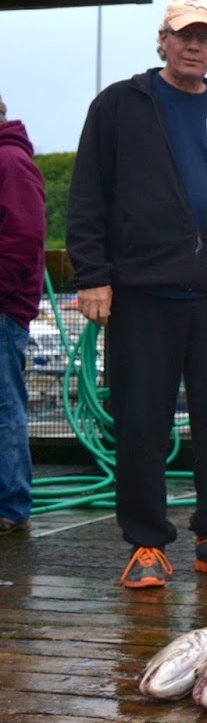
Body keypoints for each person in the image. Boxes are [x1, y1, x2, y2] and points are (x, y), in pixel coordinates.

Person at [67, 0, 207, 588]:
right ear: (162, 40)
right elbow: (87, 196)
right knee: (140, 420)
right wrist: (92, 275)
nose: (193, 46)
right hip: (141, 293)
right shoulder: (119, 104)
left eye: (205, 37)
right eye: (183, 35)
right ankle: (145, 542)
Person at [0, 91, 47, 536]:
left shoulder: (10, 163)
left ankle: (11, 506)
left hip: (3, 311)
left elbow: (24, 237)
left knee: (3, 407)